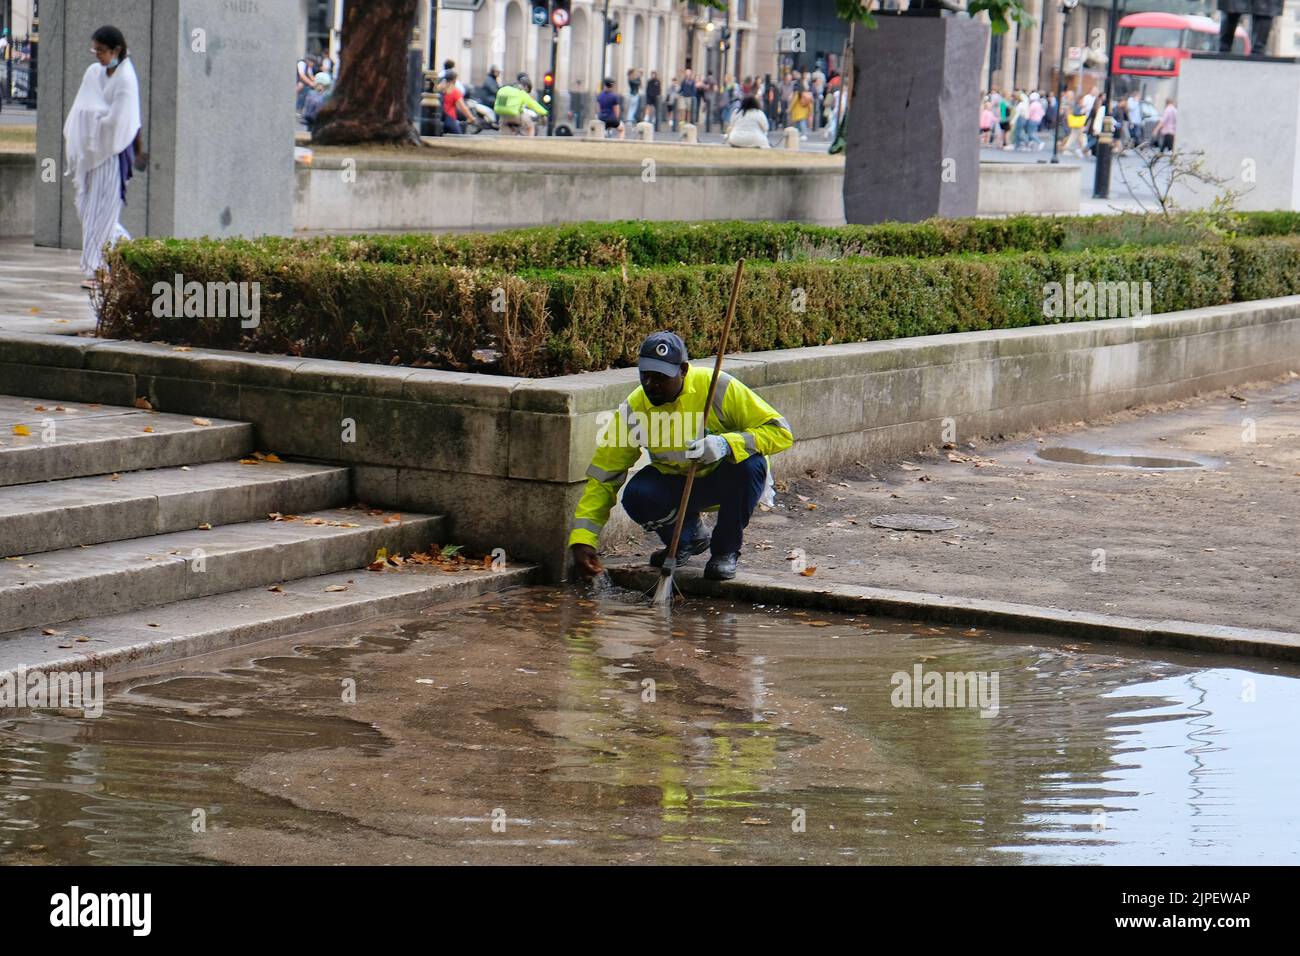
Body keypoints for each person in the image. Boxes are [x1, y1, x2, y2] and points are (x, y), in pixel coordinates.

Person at [568, 332, 794, 582]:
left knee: (751, 465)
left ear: (683, 370)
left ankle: (725, 551)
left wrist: (727, 443)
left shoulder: (717, 387)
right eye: (646, 375)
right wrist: (583, 539)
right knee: (637, 494)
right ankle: (687, 539)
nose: (651, 384)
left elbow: (781, 432)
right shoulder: (634, 409)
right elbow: (604, 476)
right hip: (677, 485)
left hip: (729, 482)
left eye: (661, 377)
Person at [63, 25, 142, 291]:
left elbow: (120, 121)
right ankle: (133, 254)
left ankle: (99, 270)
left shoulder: (126, 79)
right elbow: (83, 107)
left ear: (116, 50)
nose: (97, 55)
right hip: (89, 154)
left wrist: (94, 118)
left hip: (113, 155)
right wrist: (94, 118)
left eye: (101, 51)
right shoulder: (93, 73)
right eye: (94, 50)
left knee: (104, 214)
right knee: (86, 208)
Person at [440, 69, 472, 134]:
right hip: (450, 119)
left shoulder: (440, 88)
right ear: (454, 79)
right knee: (459, 138)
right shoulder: (454, 91)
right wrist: (471, 118)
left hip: (441, 118)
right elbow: (463, 107)